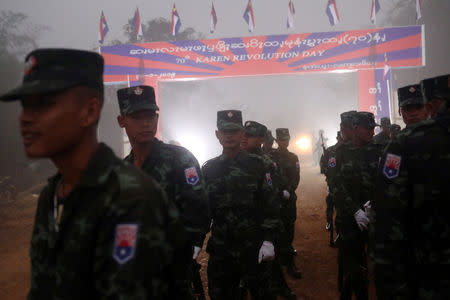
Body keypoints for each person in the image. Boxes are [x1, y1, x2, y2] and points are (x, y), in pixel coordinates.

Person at [0, 48, 187, 299]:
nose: (25, 119)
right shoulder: (52, 195)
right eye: (26, 106)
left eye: (44, 104)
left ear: (89, 111)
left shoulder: (130, 198)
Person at [116, 85, 210, 299]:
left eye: (150, 115)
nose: (146, 123)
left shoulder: (179, 159)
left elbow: (199, 207)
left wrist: (191, 248)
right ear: (122, 121)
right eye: (136, 117)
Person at [372, 74, 450, 299]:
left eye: (417, 107)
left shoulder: (405, 142)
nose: (412, 112)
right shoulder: (400, 144)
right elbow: (389, 209)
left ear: (428, 106)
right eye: (407, 109)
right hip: (423, 258)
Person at [202, 110, 279, 300]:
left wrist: (268, 239)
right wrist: (195, 242)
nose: (229, 135)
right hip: (222, 251)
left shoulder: (259, 166)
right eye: (224, 131)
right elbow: (203, 209)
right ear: (217, 134)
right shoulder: (208, 169)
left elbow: (270, 204)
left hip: (254, 248)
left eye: (234, 131)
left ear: (242, 134)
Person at [241, 121, 297, 300]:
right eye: (245, 134)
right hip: (243, 223)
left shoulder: (267, 162)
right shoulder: (237, 159)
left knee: (272, 259)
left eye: (250, 136)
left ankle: (281, 287)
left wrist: (285, 193)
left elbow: (279, 185)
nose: (245, 139)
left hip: (265, 220)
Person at [334, 111, 382, 300]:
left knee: (377, 264)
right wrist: (355, 210)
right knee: (353, 264)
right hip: (349, 218)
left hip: (375, 216)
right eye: (367, 128)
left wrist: (376, 204)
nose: (371, 131)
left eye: (373, 128)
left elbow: (387, 181)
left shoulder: (379, 149)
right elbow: (336, 185)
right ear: (355, 128)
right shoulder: (341, 152)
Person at [271, 128, 302, 279]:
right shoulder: (270, 157)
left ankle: (290, 263)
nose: (285, 142)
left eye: (287, 139)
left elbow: (296, 177)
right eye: (282, 139)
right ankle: (279, 258)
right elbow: (269, 178)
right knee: (277, 230)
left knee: (289, 228)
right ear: (277, 141)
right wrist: (278, 192)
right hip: (275, 200)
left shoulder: (293, 157)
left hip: (289, 200)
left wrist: (289, 190)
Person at [320, 131, 343, 248]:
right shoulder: (330, 150)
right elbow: (322, 164)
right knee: (330, 206)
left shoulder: (347, 150)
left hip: (343, 187)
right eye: (340, 137)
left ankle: (340, 234)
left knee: (341, 213)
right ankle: (329, 221)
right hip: (332, 185)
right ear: (337, 137)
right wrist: (327, 171)